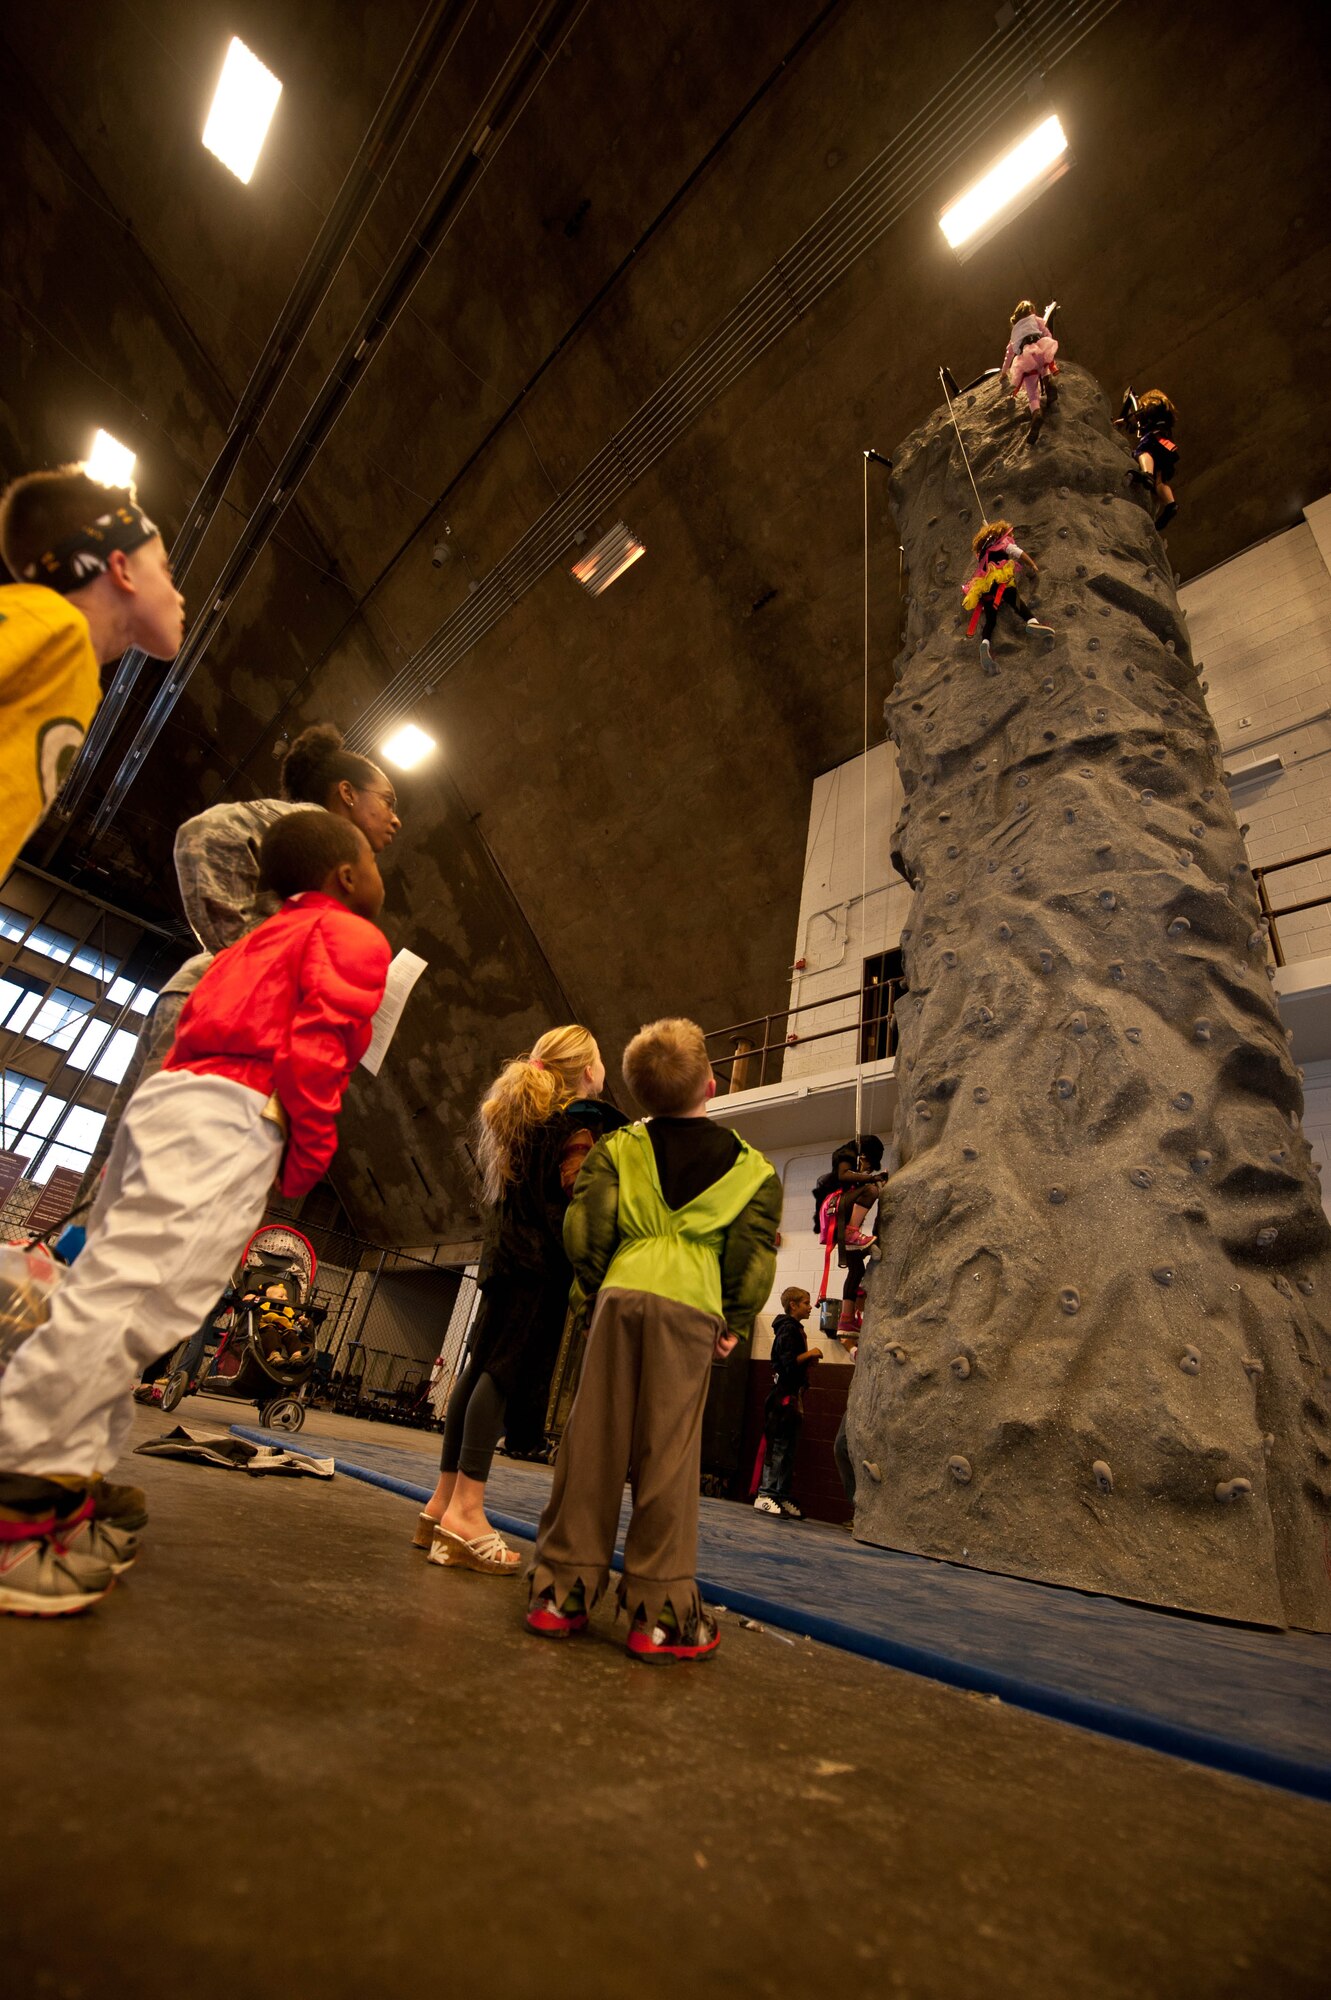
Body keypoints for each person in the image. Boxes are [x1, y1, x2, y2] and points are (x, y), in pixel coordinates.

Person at [0, 809, 391, 1616]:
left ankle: (69, 1488)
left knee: (121, 1304)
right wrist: (307, 1159)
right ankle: (16, 1508)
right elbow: (318, 1053)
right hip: (233, 1113)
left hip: (172, 1098)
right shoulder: (350, 935)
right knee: (133, 1306)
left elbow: (184, 1031)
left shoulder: (244, 943)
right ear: (345, 877)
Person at [526, 1017, 781, 1663]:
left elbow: (586, 1233)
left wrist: (593, 1297)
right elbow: (749, 1260)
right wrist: (731, 1319)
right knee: (667, 1457)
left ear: (640, 1093)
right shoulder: (752, 1171)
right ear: (711, 1084)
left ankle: (561, 1594)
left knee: (591, 1443)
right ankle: (660, 1615)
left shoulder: (616, 1149)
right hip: (690, 1308)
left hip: (619, 1295)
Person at [76, 720, 402, 1215]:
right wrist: (253, 966)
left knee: (122, 1184)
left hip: (210, 1013)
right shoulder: (307, 823)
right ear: (347, 794)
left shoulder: (317, 863)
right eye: (388, 800)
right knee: (145, 1190)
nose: (395, 819)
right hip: (211, 1011)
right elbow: (200, 837)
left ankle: (70, 1270)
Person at [416, 1027, 625, 1574]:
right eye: (600, 1060)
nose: (604, 1070)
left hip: (505, 1261)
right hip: (539, 1268)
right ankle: (467, 1510)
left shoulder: (527, 1121)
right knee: (502, 1377)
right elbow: (577, 1203)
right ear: (585, 1070)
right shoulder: (578, 1123)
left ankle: (440, 1502)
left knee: (478, 1369)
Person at [0, 466, 184, 876]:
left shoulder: (64, 647)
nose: (180, 595)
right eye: (166, 570)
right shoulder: (54, 623)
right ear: (121, 569)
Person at [753, 1287, 820, 1519]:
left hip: (794, 1394)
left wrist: (807, 1361)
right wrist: (809, 1354)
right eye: (805, 1303)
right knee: (779, 1446)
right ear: (793, 1305)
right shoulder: (787, 1330)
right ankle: (765, 1493)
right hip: (783, 1397)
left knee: (790, 1449)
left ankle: (780, 1494)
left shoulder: (796, 1330)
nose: (810, 1307)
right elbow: (787, 1362)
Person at [962, 520, 1055, 672]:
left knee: (991, 620)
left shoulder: (984, 552)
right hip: (1000, 578)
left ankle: (985, 643)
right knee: (1015, 600)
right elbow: (1019, 553)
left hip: (984, 587)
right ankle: (1032, 621)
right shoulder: (1004, 542)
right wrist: (1032, 564)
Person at [1120, 388, 1180, 531]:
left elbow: (1144, 414)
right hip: (1167, 447)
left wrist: (1132, 417)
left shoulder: (1156, 405)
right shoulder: (1165, 417)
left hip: (1156, 439)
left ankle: (1147, 474)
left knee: (1143, 451)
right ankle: (1170, 504)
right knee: (1161, 480)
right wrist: (1127, 421)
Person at [1002, 298, 1059, 434]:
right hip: (1038, 347)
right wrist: (1048, 343)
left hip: (1025, 358)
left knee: (1031, 389)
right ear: (1031, 311)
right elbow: (1046, 331)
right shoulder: (1035, 319)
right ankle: (1049, 384)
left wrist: (1004, 372)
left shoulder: (1014, 334)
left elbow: (1009, 354)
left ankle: (1036, 413)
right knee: (1043, 366)